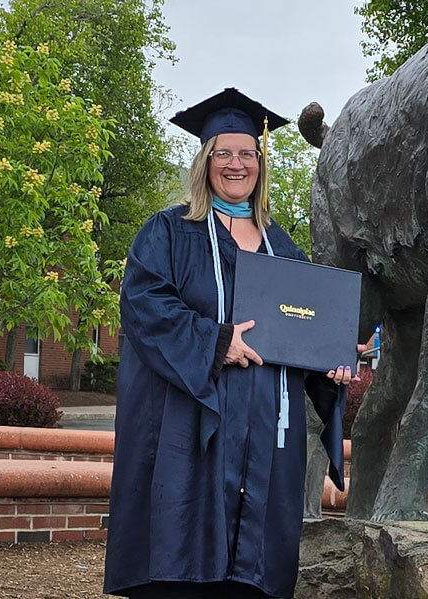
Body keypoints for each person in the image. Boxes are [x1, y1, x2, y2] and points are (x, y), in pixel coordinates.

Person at [104, 88, 362, 599]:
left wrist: (329, 362)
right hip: (190, 431)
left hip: (266, 440)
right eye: (223, 152)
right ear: (205, 161)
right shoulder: (169, 233)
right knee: (181, 561)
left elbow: (302, 329)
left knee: (254, 575)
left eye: (247, 153)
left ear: (260, 164)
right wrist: (214, 341)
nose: (236, 163)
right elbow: (144, 306)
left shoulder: (282, 246)